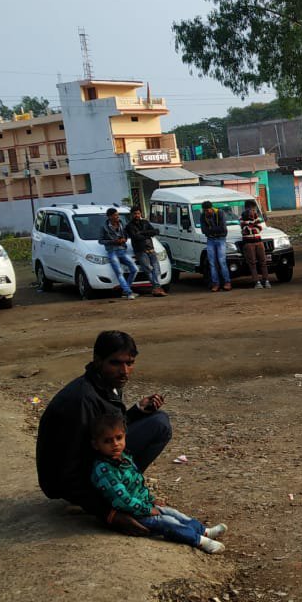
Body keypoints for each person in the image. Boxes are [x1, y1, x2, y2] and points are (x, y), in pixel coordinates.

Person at [36, 330, 172, 534]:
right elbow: (68, 468)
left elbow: (104, 430)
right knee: (159, 424)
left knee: (156, 421)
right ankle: (114, 495)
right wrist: (109, 514)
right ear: (98, 361)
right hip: (66, 479)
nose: (124, 371)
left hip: (91, 459)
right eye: (116, 363)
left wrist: (136, 410)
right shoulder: (82, 399)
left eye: (130, 363)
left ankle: (124, 490)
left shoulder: (104, 385)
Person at [89, 412, 226, 554]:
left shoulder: (124, 457)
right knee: (167, 522)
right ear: (96, 444)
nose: (115, 444)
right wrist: (147, 510)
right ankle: (200, 541)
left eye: (119, 438)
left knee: (174, 513)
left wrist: (151, 500)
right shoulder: (104, 470)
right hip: (130, 515)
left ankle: (204, 531)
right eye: (107, 441)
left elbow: (138, 484)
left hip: (143, 506)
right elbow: (122, 500)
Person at [126, 207, 166, 297]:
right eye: (135, 213)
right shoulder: (129, 226)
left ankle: (156, 288)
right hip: (140, 251)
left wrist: (142, 233)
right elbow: (135, 237)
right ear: (132, 214)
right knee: (148, 269)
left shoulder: (145, 222)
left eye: (138, 213)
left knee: (156, 268)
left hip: (151, 249)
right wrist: (147, 234)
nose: (137, 215)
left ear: (141, 214)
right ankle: (157, 287)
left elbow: (156, 231)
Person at [98, 207, 138, 300]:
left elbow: (125, 235)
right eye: (115, 215)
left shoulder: (121, 224)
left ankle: (126, 289)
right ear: (109, 217)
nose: (117, 217)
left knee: (134, 269)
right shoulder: (104, 227)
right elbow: (100, 241)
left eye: (117, 215)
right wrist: (113, 241)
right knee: (119, 272)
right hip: (112, 251)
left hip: (122, 250)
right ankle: (128, 292)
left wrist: (124, 239)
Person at [200, 200, 231, 292]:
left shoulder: (220, 213)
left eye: (208, 210)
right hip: (210, 240)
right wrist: (213, 230)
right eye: (205, 210)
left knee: (222, 261)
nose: (207, 212)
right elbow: (203, 230)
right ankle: (215, 283)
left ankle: (227, 282)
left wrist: (210, 230)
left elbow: (223, 228)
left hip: (220, 239)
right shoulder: (203, 216)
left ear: (211, 208)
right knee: (212, 263)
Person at [240, 200, 271, 289]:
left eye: (254, 210)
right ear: (246, 209)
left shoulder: (256, 217)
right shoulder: (242, 218)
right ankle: (256, 281)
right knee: (252, 263)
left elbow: (259, 228)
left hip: (258, 242)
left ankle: (266, 280)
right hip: (248, 244)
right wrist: (252, 225)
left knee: (263, 262)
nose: (253, 211)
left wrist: (250, 225)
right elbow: (245, 230)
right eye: (251, 210)